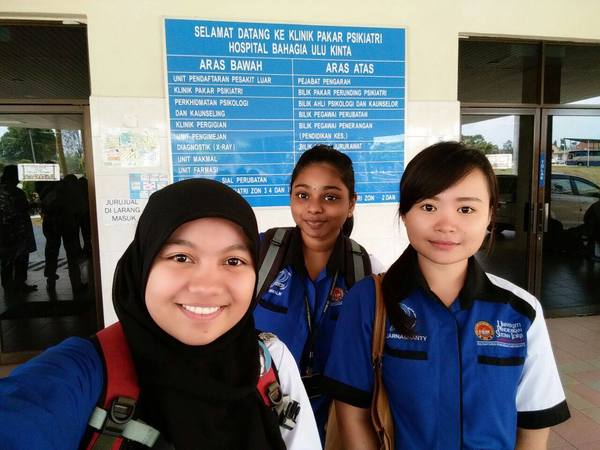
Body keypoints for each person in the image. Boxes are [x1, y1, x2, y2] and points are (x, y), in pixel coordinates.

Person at [0, 178, 320, 449]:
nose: (207, 286)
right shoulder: (81, 376)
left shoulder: (270, 364)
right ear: (142, 266)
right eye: (181, 257)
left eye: (233, 261)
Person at [323, 142, 570, 450]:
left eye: (466, 209)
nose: (446, 225)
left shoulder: (520, 311)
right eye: (428, 207)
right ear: (404, 213)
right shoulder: (369, 301)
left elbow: (533, 430)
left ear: (491, 214)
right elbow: (353, 416)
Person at [254, 144, 376, 440]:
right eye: (303, 195)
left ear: (351, 204)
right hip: (257, 406)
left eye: (330, 197)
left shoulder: (364, 271)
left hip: (333, 416)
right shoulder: (259, 255)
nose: (314, 208)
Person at [0, 165, 37, 297]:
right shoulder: (16, 192)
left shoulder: (2, 190)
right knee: (20, 258)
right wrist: (33, 205)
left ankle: (8, 286)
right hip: (18, 232)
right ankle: (19, 284)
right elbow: (22, 208)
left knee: (6, 260)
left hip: (5, 233)